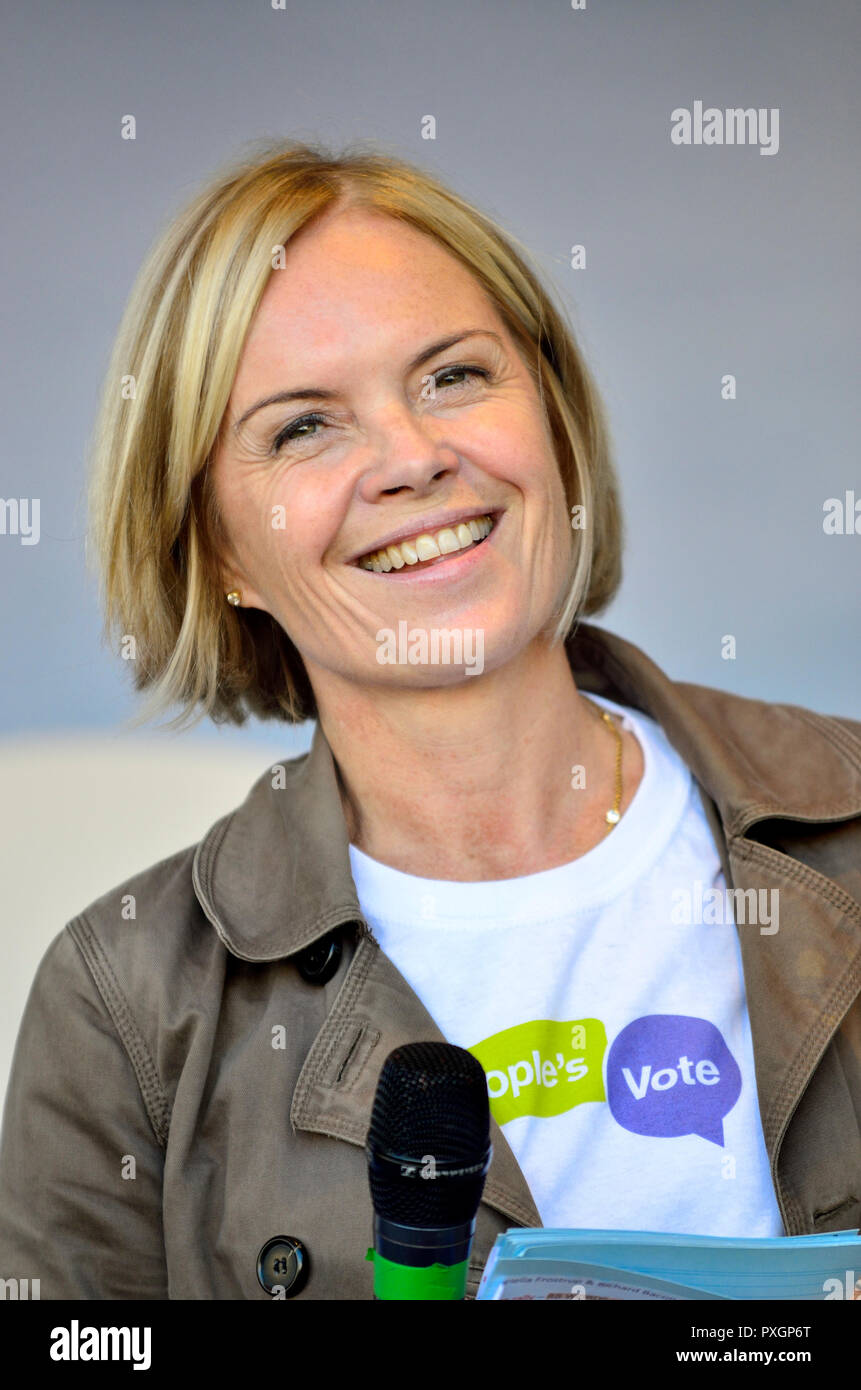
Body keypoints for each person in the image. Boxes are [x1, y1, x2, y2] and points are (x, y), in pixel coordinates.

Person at [0, 139, 859, 1301]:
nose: (413, 458)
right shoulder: (123, 1006)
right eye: (303, 426)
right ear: (218, 550)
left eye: (454, 375)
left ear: (552, 420)